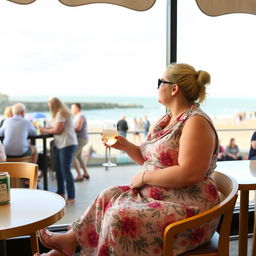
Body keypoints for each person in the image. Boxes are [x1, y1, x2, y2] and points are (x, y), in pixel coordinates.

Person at [35, 63, 219, 256]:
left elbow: (190, 173)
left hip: (190, 210)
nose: (157, 87)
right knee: (107, 196)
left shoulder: (195, 123)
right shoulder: (167, 119)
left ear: (174, 88)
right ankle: (69, 243)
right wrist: (124, 145)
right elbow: (149, 159)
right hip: (161, 197)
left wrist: (145, 178)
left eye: (160, 82)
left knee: (119, 217)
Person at [40, 97, 77, 205]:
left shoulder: (61, 113)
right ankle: (61, 192)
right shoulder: (60, 114)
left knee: (65, 170)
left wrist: (44, 130)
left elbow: (58, 130)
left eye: (50, 106)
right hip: (61, 144)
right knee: (59, 170)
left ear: (54, 105)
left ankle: (71, 196)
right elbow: (56, 126)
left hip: (67, 144)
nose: (49, 108)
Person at [71, 103, 90, 182]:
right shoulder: (79, 116)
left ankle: (79, 175)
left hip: (81, 138)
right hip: (82, 138)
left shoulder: (80, 116)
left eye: (73, 108)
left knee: (72, 156)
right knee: (78, 156)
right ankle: (85, 173)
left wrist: (69, 128)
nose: (71, 109)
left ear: (77, 108)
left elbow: (78, 128)